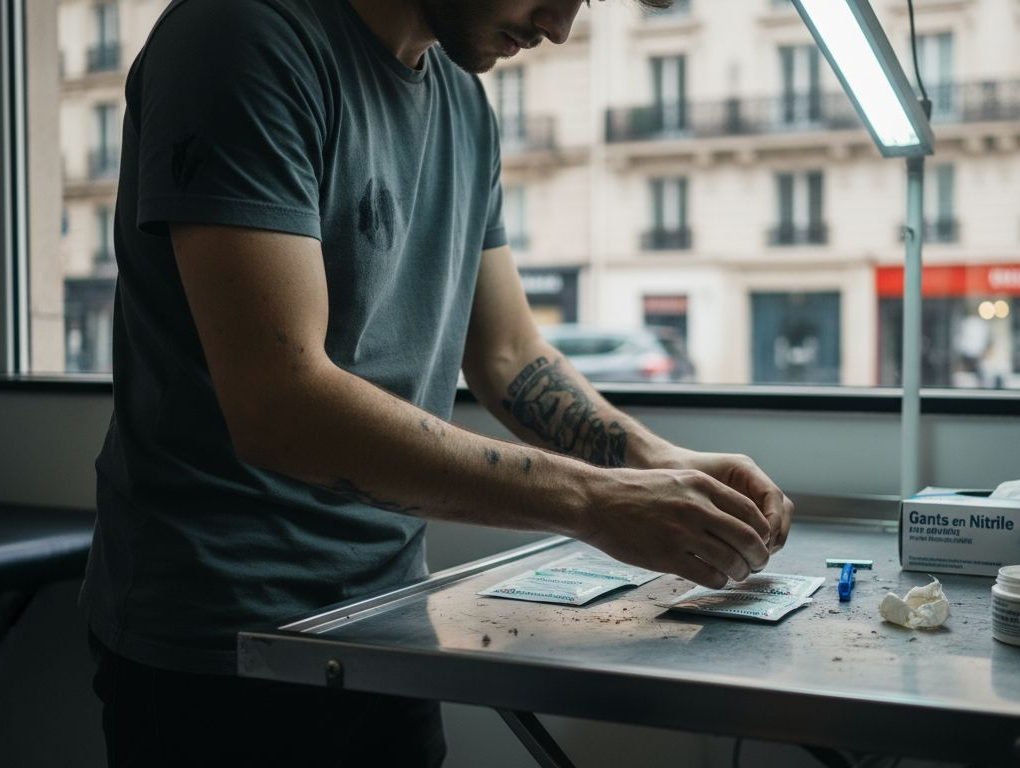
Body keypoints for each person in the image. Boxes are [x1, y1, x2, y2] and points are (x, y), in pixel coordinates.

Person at [79, 0, 794, 765]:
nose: (558, 26)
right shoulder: (239, 36)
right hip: (221, 642)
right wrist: (594, 502)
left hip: (382, 620)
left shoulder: (462, 97)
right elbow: (280, 404)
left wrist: (657, 464)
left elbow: (510, 354)